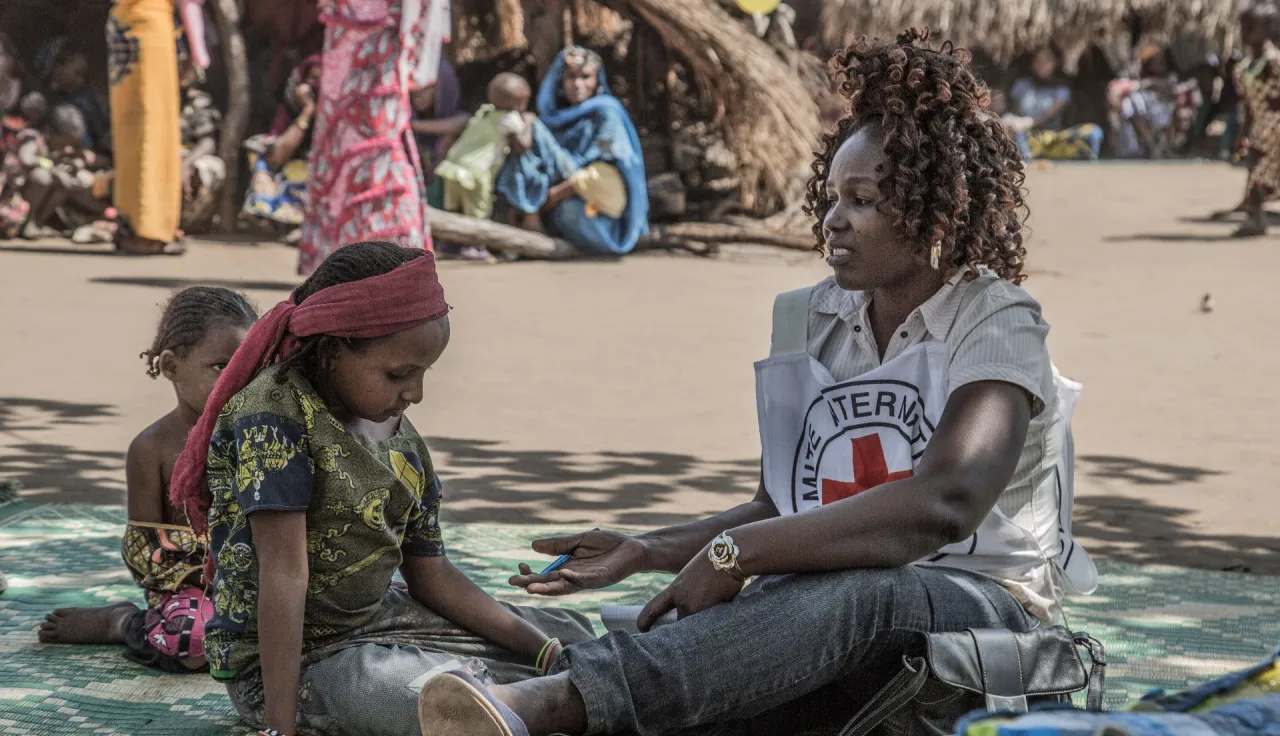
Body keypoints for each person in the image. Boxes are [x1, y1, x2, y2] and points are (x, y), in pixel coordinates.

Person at [418, 29, 1096, 736]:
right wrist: (649, 549)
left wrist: (735, 556)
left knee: (849, 590)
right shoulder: (811, 320)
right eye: (831, 195)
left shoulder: (994, 319)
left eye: (862, 199)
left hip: (985, 616)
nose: (834, 218)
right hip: (842, 616)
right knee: (747, 656)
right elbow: (784, 503)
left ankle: (552, 702)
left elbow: (944, 503)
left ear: (932, 208)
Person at [167, 242, 597, 735]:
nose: (415, 393)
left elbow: (430, 575)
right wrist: (278, 730)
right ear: (331, 352)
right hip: (285, 665)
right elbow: (284, 577)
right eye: (399, 374)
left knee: (569, 633)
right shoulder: (275, 414)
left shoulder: (401, 439)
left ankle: (527, 698)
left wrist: (542, 647)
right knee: (400, 693)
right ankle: (537, 701)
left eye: (423, 373)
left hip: (379, 621)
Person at [37, 287, 258, 671]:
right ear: (172, 367)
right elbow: (147, 552)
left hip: (269, 580)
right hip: (192, 589)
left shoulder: (266, 435)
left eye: (250, 367)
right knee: (191, 638)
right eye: (221, 367)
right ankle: (124, 622)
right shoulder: (152, 449)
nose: (239, 380)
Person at [296, 0, 441, 276]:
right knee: (345, 147)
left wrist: (416, 61)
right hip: (346, 59)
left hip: (378, 59)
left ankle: (389, 252)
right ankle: (343, 257)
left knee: (376, 149)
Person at [496, 47, 649, 255]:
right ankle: (526, 212)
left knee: (531, 124)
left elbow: (600, 172)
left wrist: (552, 197)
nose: (578, 84)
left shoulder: (606, 114)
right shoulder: (555, 116)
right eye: (571, 77)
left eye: (586, 77)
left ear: (597, 81)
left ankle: (531, 215)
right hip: (562, 195)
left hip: (595, 206)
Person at [108, 0, 184, 255]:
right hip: (142, 22)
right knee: (147, 127)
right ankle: (146, 228)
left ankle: (146, 225)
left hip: (134, 21)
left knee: (145, 126)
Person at [434, 72, 535, 261]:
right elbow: (523, 144)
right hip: (475, 173)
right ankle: (476, 247)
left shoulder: (484, 111)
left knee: (454, 210)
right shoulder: (509, 119)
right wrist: (528, 122)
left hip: (453, 166)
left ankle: (448, 245)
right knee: (477, 213)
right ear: (518, 103)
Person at [1214, 3, 1280, 237]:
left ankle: (1255, 215)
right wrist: (1242, 133)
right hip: (1263, 131)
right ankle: (1255, 216)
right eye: (1244, 26)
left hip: (1277, 129)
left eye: (1252, 26)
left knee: (1260, 171)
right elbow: (1248, 106)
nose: (1246, 31)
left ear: (1271, 28)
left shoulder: (1274, 63)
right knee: (1257, 171)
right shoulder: (1243, 68)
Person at [242, 55, 318, 239]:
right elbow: (277, 157)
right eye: (311, 78)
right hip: (294, 172)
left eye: (320, 80)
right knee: (263, 163)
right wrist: (307, 112)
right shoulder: (290, 109)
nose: (313, 86)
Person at [1106, 44, 1203, 158]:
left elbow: (1175, 89)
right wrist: (1146, 84)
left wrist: (1152, 84)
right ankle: (1150, 145)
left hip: (1165, 120)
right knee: (1133, 101)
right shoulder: (1138, 79)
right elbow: (1114, 89)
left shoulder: (1172, 78)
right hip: (1141, 124)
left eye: (1162, 60)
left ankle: (1170, 147)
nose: (1160, 63)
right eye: (1156, 60)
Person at [1008, 47, 1104, 160]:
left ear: (1054, 64)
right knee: (1014, 135)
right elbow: (1011, 111)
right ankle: (1025, 157)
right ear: (1032, 63)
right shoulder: (1021, 86)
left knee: (1094, 132)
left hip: (1055, 138)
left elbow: (1050, 114)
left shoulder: (1061, 89)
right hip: (1029, 138)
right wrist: (1011, 121)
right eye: (1039, 60)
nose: (1042, 64)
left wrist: (1027, 122)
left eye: (1047, 60)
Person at [178, 47, 226, 234]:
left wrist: (186, 165)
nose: (184, 72)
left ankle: (192, 220)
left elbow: (208, 142)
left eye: (188, 67)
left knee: (211, 167)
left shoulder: (198, 102)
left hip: (188, 157)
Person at [36, 45, 111, 153]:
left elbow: (96, 133)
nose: (80, 80)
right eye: (76, 73)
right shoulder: (56, 96)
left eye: (83, 75)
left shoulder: (84, 100)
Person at [409, 58, 468, 182]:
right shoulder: (407, 112)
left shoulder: (456, 116)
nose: (417, 99)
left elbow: (462, 123)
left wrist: (412, 125)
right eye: (413, 94)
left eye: (422, 93)